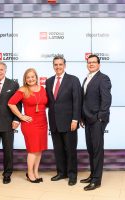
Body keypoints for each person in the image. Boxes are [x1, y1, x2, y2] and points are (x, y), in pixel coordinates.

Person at [45, 56, 81, 186]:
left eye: (60, 64)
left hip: (69, 122)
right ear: (53, 66)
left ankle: (72, 175)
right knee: (58, 149)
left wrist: (75, 119)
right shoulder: (49, 82)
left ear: (65, 65)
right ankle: (61, 172)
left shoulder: (73, 80)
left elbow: (77, 101)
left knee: (70, 150)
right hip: (54, 122)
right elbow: (48, 102)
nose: (58, 67)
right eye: (56, 64)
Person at [8, 68, 48, 183]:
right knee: (33, 150)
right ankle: (30, 173)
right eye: (28, 77)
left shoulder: (43, 89)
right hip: (30, 124)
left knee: (39, 149)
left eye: (32, 76)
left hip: (43, 122)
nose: (30, 79)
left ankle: (36, 172)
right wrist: (21, 116)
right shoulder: (23, 90)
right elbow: (11, 103)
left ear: (36, 77)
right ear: (25, 79)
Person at [80, 54, 112, 191]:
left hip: (97, 120)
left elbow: (106, 100)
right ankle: (92, 174)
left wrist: (100, 117)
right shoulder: (86, 78)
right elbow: (85, 100)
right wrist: (82, 117)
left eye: (94, 62)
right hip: (87, 119)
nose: (91, 64)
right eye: (89, 62)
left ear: (99, 64)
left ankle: (96, 180)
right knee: (91, 149)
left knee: (97, 150)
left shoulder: (103, 78)